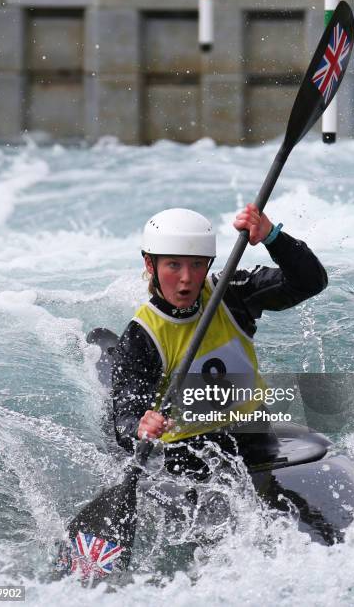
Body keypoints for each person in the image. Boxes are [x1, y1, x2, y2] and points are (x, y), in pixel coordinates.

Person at [104, 204, 328, 480]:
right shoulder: (142, 337)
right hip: (185, 456)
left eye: (197, 264)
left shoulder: (231, 293)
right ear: (150, 264)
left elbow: (310, 282)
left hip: (254, 438)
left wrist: (273, 237)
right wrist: (139, 427)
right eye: (174, 264)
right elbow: (126, 417)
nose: (186, 278)